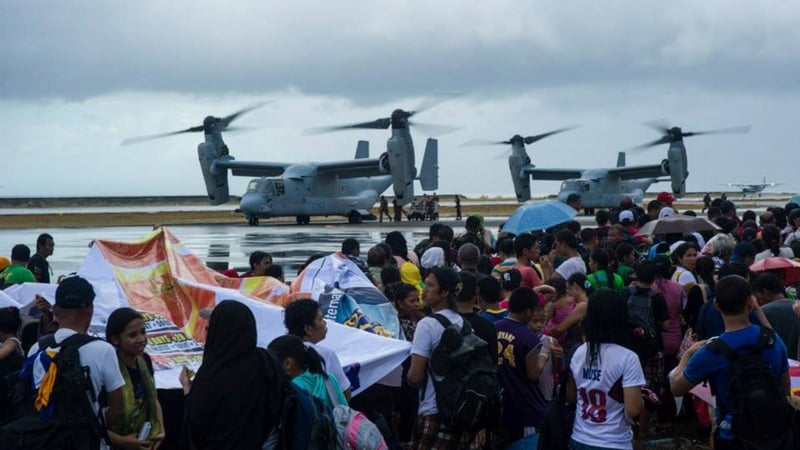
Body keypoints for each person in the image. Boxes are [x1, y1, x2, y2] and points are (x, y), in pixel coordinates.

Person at [669, 275, 790, 448]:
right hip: (775, 432)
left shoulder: (710, 351)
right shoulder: (773, 341)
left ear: (716, 305)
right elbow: (785, 388)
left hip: (734, 435)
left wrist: (686, 357)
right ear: (750, 302)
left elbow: (676, 388)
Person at [28, 276, 126, 449]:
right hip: (88, 442)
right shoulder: (103, 350)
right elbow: (118, 409)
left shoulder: (36, 349)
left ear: (56, 310)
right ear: (90, 310)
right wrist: (93, 422)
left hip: (43, 441)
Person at [183, 300, 279, 450]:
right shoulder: (266, 362)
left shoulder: (212, 374)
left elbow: (197, 427)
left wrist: (188, 390)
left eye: (210, 329)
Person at [407, 267, 478, 449]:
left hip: (434, 411)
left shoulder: (427, 325)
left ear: (445, 292)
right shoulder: (465, 324)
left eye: (430, 286)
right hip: (461, 412)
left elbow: (415, 377)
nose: (424, 290)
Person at [567, 290, 645, 450]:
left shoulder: (578, 352)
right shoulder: (628, 358)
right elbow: (633, 409)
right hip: (614, 442)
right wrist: (643, 399)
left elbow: (571, 396)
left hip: (579, 438)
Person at [493, 287, 556, 448]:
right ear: (528, 311)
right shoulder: (528, 337)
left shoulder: (495, 328)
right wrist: (543, 356)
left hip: (500, 404)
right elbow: (533, 374)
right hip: (525, 406)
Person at [105, 307, 165, 449]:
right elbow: (95, 423)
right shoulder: (108, 367)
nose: (141, 339)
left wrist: (160, 429)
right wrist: (123, 441)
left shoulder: (145, 360)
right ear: (115, 339)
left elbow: (152, 398)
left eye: (143, 332)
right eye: (133, 335)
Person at [284, 299, 352, 400]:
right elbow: (345, 393)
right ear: (308, 328)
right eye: (320, 319)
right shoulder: (327, 355)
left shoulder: (279, 350)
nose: (324, 323)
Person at [268, 334, 348, 409]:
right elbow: (345, 411)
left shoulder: (291, 391)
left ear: (288, 363)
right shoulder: (329, 378)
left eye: (272, 364)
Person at [754, 273, 799, 358]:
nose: (759, 301)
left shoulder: (761, 313)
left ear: (766, 293)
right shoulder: (797, 308)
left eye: (759, 298)